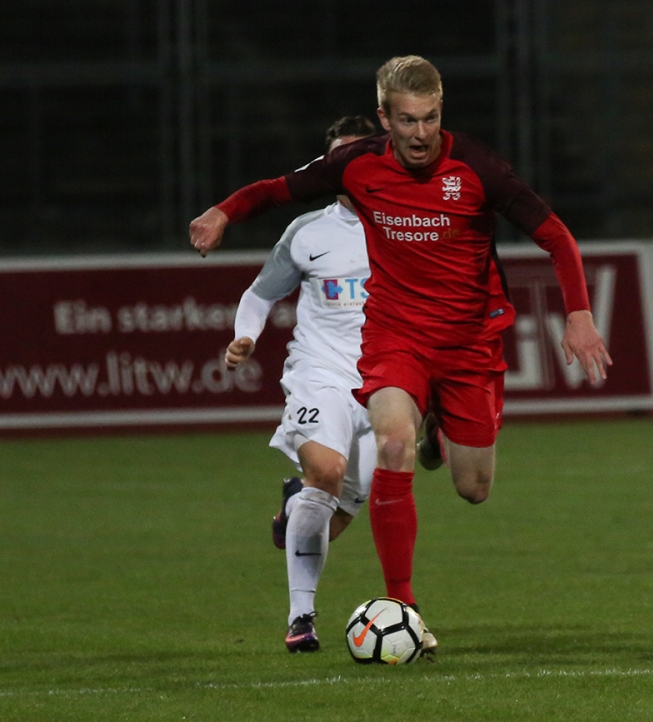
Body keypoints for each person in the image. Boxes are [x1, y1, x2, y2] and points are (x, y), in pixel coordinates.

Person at [192, 55, 612, 647]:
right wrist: (223, 212)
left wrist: (579, 315)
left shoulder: (477, 167)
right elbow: (278, 190)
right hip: (396, 336)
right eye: (408, 120)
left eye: (431, 118)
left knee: (474, 487)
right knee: (392, 444)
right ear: (385, 118)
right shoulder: (357, 163)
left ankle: (436, 431)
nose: (421, 134)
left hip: (466, 345)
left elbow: (555, 235)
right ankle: (403, 606)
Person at [224, 115, 436, 655]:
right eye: (336, 159)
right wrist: (245, 336)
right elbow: (259, 294)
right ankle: (301, 618)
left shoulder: (412, 225)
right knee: (327, 473)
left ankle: (294, 505)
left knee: (335, 515)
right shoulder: (308, 232)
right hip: (322, 374)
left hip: (387, 384)